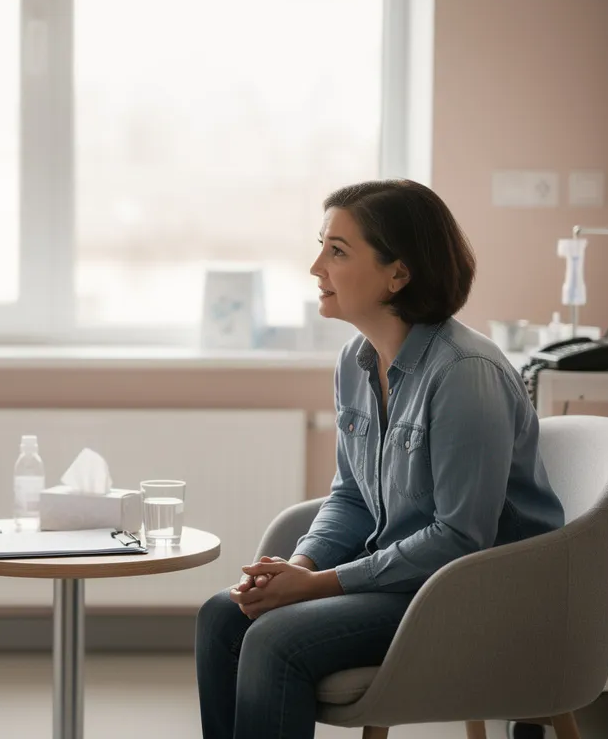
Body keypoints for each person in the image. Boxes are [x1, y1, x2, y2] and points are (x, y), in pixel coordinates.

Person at [195, 179, 566, 739]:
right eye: (322, 245)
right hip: (404, 584)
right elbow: (351, 495)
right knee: (221, 615)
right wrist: (304, 566)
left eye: (337, 251)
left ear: (399, 273)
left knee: (275, 638)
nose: (316, 266)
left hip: (475, 599)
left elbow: (462, 538)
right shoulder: (355, 360)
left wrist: (319, 587)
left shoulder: (465, 373)